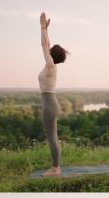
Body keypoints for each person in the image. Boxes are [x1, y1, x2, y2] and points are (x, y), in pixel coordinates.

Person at [38, 12, 68, 177]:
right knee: (53, 137)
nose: (47, 50)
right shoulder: (51, 65)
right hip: (50, 103)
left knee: (51, 138)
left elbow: (43, 45)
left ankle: (56, 169)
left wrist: (42, 27)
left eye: (50, 50)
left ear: (51, 55)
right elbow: (46, 44)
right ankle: (56, 167)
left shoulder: (50, 66)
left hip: (49, 105)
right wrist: (46, 30)